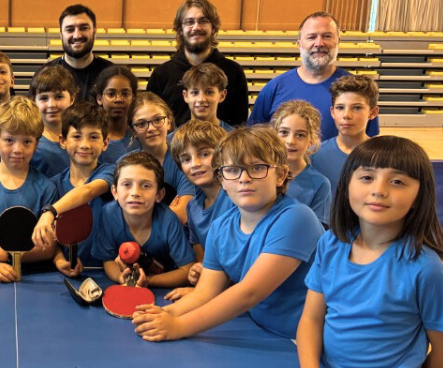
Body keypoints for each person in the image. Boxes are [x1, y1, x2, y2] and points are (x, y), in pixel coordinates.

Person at [298, 137, 443, 368]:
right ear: (347, 185)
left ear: (419, 196)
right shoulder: (330, 244)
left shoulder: (426, 269)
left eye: (397, 182)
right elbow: (312, 319)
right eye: (367, 177)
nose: (379, 190)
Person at [132, 125, 323, 341]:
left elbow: (249, 293)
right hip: (261, 331)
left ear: (280, 175)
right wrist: (165, 313)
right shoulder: (220, 227)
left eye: (257, 168)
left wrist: (178, 326)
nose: (244, 178)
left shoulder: (297, 218)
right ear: (221, 179)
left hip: (305, 340)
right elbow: (205, 293)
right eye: (232, 170)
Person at [0, 97, 58, 282]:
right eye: (9, 140)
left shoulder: (47, 189)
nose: (17, 149)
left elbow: (48, 249)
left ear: (37, 143)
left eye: (26, 142)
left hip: (35, 278)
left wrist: (1, 253)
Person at [249, 11, 380, 140]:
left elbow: (369, 142)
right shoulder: (274, 88)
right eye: (311, 37)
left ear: (338, 41)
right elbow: (254, 140)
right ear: (299, 44)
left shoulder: (356, 90)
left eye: (327, 36)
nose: (319, 43)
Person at [31, 102, 113, 275]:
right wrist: (59, 260)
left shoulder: (111, 173)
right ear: (62, 141)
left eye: (93, 137)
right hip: (67, 275)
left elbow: (87, 191)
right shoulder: (52, 185)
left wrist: (50, 212)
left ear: (105, 143)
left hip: (108, 271)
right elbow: (51, 238)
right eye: (76, 136)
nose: (85, 145)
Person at [92, 151, 195, 288]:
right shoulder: (108, 214)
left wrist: (148, 280)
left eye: (146, 186)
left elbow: (187, 270)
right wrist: (121, 277)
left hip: (165, 287)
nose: (135, 193)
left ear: (159, 195)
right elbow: (108, 260)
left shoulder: (168, 220)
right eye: (127, 184)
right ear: (115, 192)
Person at [146, 0, 248, 128]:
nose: (196, 27)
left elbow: (239, 124)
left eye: (203, 21)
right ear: (180, 29)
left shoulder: (233, 71)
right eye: (189, 22)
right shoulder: (162, 74)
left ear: (213, 28)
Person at [164, 119, 234, 301]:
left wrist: (203, 291)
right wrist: (198, 273)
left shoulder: (237, 198)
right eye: (186, 159)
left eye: (204, 154)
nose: (195, 164)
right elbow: (203, 262)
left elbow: (246, 263)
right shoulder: (192, 208)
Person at [125, 92, 197, 223]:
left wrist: (138, 212)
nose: (151, 128)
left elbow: (182, 215)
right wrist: (168, 211)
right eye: (141, 124)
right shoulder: (125, 164)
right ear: (133, 130)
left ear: (168, 121)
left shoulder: (184, 161)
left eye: (157, 120)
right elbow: (121, 215)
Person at [311, 75, 379, 193]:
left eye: (357, 108)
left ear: (372, 112)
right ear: (332, 112)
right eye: (340, 107)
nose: (346, 115)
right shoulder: (313, 155)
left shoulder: (385, 156)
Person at [271, 100, 332, 226]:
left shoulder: (320, 184)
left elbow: (317, 231)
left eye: (300, 135)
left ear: (311, 140)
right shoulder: (262, 173)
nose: (290, 141)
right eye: (284, 132)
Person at [41, 4, 114, 102]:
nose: (77, 35)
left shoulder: (112, 75)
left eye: (83, 28)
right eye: (70, 30)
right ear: (61, 35)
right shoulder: (43, 75)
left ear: (94, 32)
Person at [29, 65, 77, 178]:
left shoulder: (82, 137)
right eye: (44, 98)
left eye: (59, 97)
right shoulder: (29, 141)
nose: (51, 105)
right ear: (34, 101)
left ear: (72, 98)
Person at [95, 65, 138, 164]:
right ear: (99, 99)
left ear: (133, 98)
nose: (118, 99)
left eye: (125, 94)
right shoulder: (92, 139)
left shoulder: (141, 136)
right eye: (111, 94)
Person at [181, 63, 233, 131]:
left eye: (209, 92)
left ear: (222, 95)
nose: (201, 99)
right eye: (195, 92)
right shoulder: (173, 137)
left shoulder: (233, 136)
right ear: (186, 96)